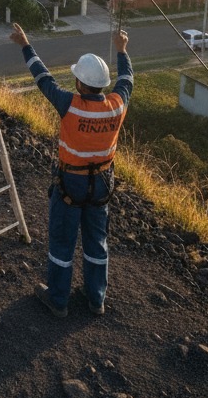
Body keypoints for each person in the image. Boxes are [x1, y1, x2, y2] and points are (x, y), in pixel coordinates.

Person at [9, 24, 133, 318]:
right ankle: (95, 298)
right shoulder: (116, 106)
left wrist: (25, 43)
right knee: (96, 241)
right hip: (102, 183)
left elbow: (42, 78)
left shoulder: (70, 105)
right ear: (102, 84)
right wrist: (121, 49)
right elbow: (127, 79)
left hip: (71, 183)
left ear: (79, 83)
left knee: (63, 242)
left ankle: (59, 299)